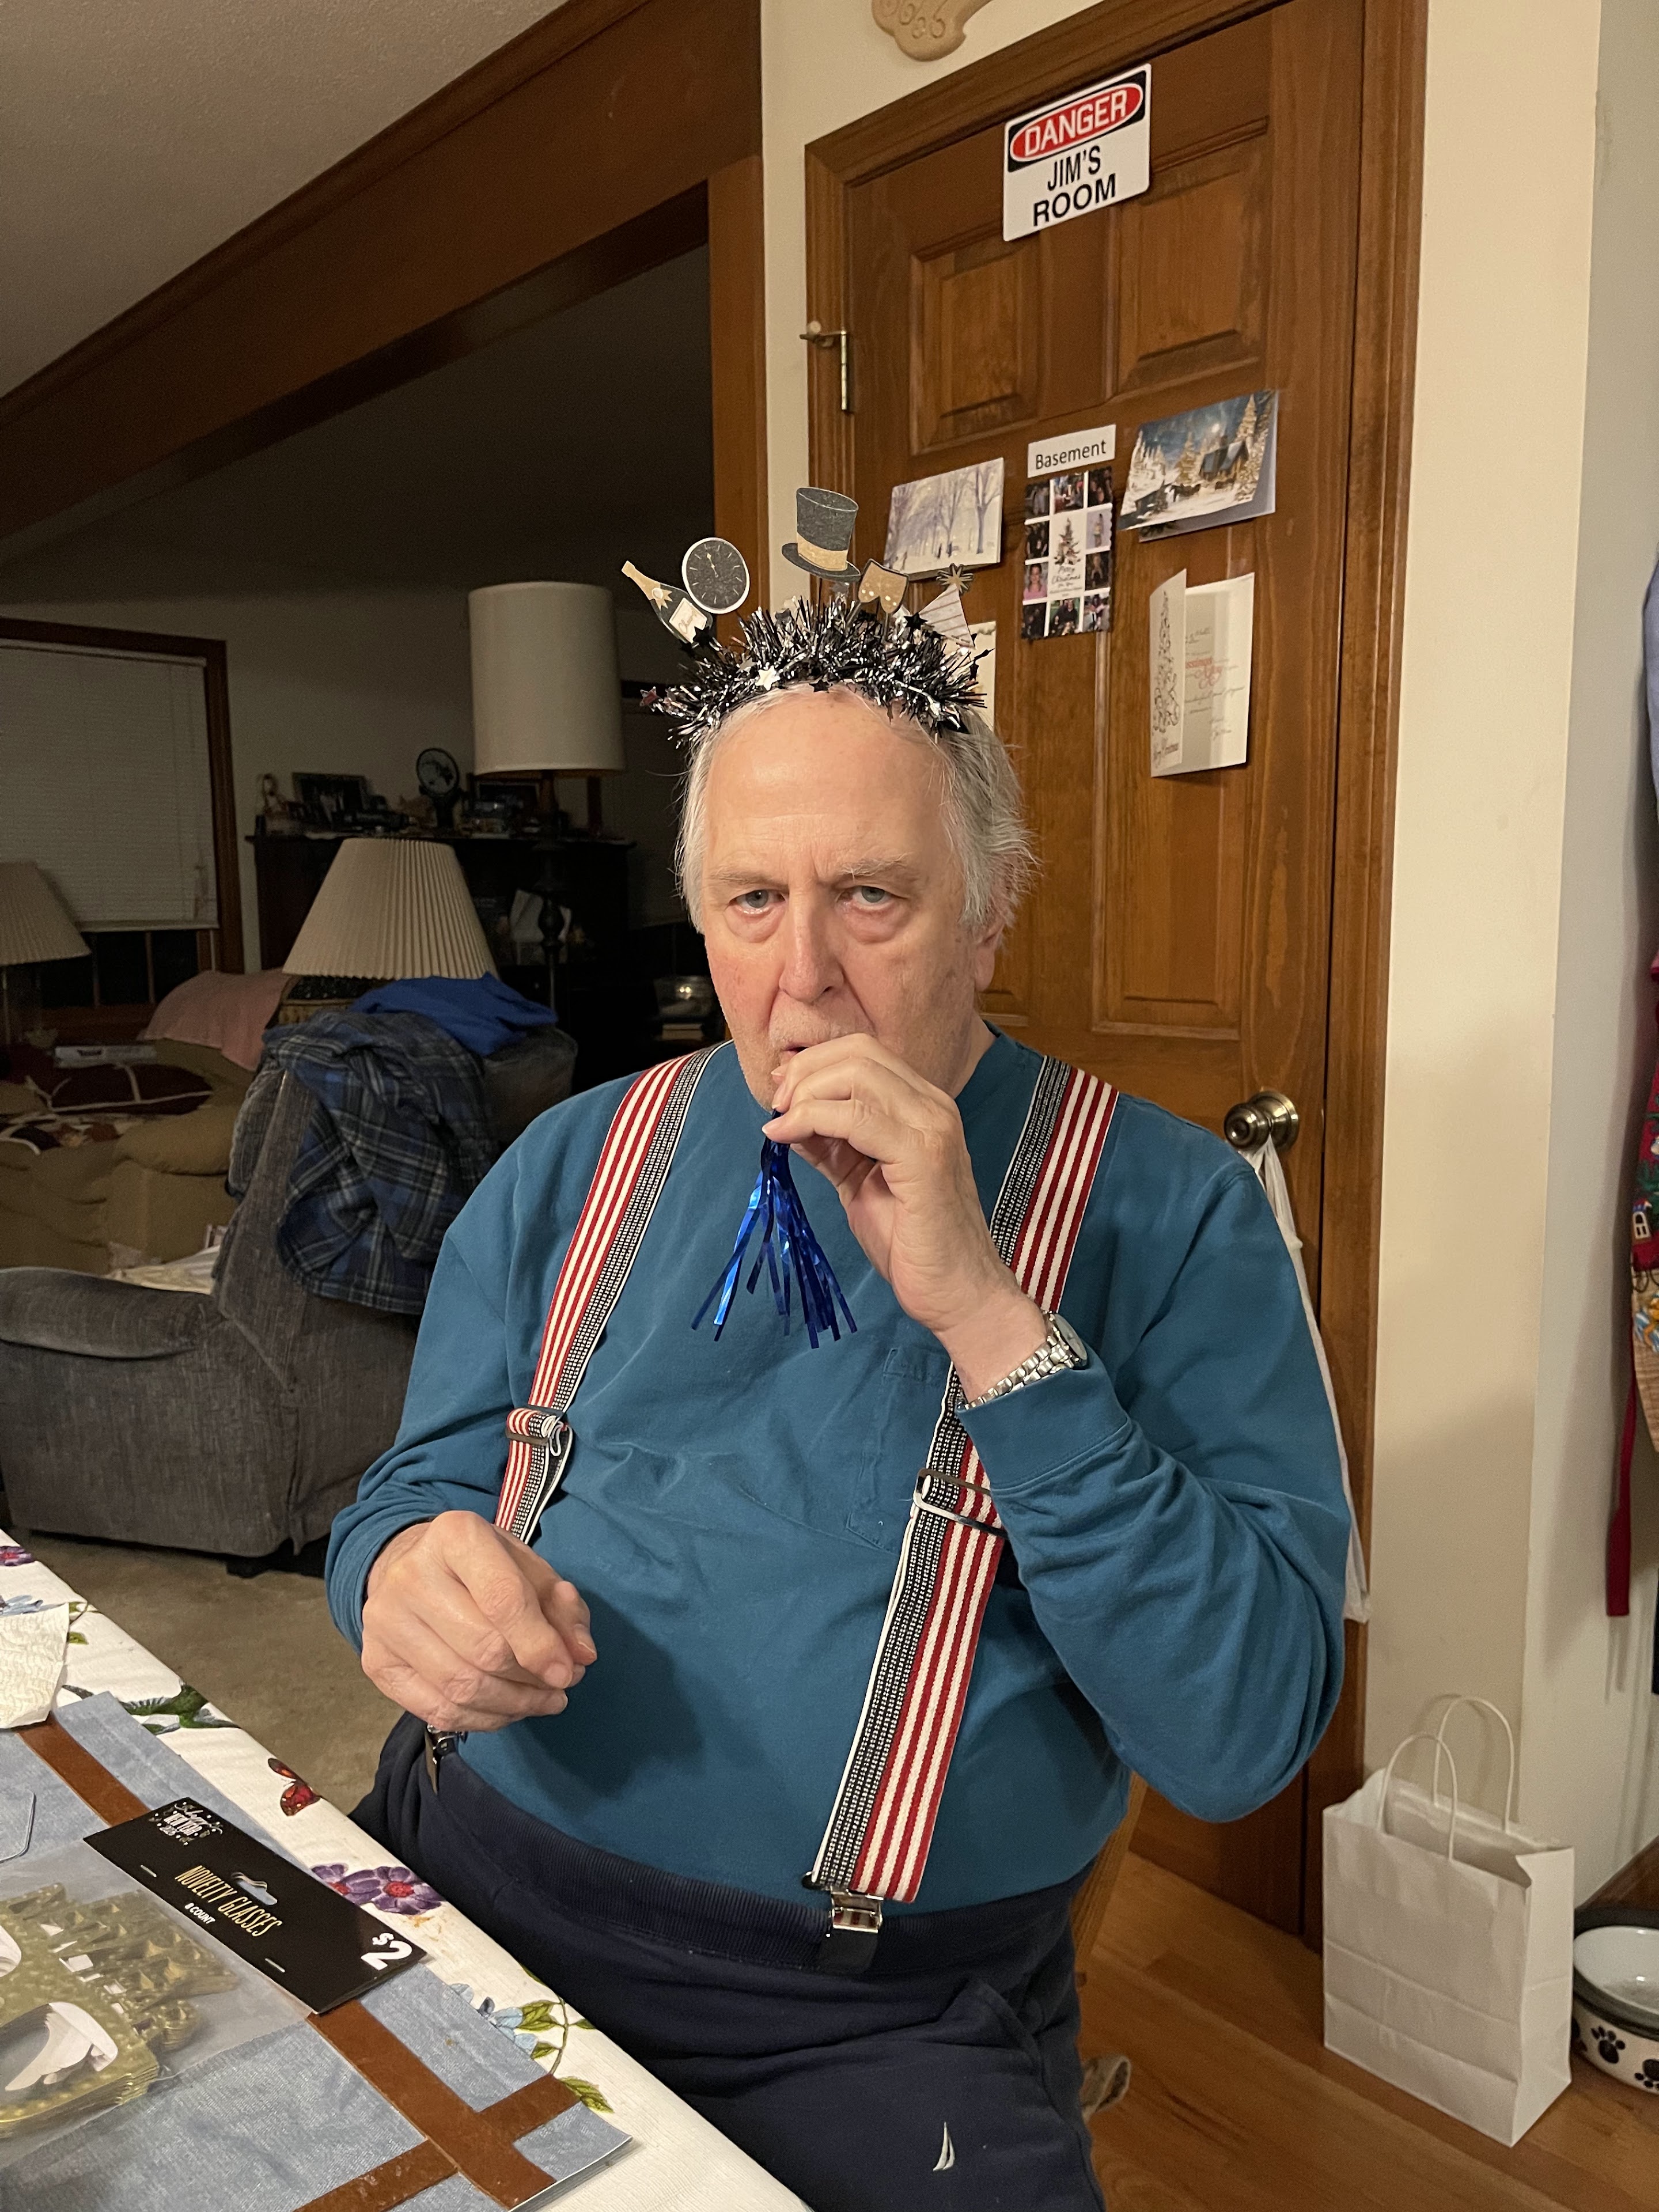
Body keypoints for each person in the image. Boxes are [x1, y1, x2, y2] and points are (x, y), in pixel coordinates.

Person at [326, 590, 1349, 2212]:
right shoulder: (574, 1160)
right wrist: (393, 1577)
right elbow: (410, 1486)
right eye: (752, 900)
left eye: (872, 895)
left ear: (991, 913)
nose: (801, 979)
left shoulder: (1172, 1214)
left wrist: (990, 1317)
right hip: (462, 1874)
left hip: (868, 2019)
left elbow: (1241, 1737)